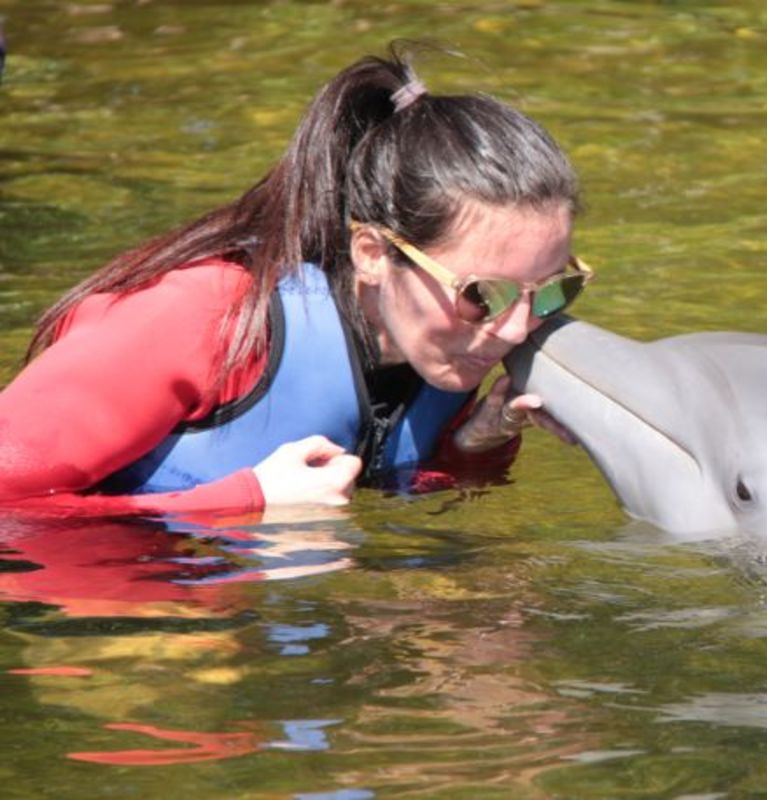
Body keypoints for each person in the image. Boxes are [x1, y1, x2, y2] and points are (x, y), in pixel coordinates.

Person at [0, 44, 586, 516]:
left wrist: (470, 449)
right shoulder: (203, 318)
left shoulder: (443, 346)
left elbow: (392, 501)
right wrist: (243, 504)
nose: (516, 330)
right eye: (482, 294)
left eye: (553, 290)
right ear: (374, 254)